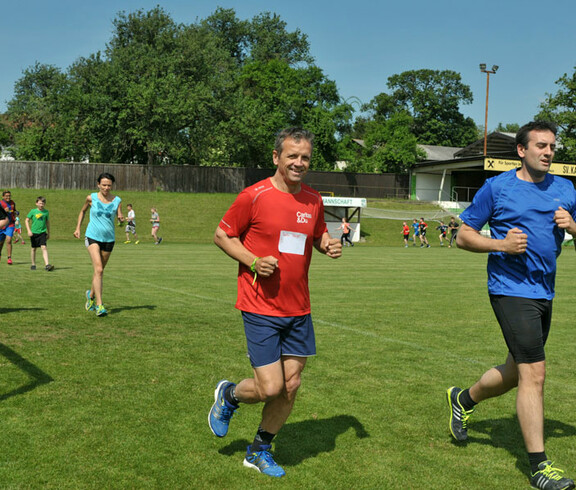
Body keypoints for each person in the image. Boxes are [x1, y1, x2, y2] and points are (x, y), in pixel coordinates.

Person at [446, 121, 575, 490]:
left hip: (544, 291)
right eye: (540, 146)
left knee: (517, 371)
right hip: (509, 289)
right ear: (521, 150)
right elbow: (463, 236)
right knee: (535, 373)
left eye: (552, 146)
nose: (548, 152)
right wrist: (500, 245)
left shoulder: (565, 189)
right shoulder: (498, 187)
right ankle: (539, 466)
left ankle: (464, 398)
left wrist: (574, 226)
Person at [209, 127, 342, 478]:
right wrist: (252, 260)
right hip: (260, 306)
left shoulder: (313, 199)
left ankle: (259, 450)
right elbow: (222, 234)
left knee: (292, 384)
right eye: (292, 156)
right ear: (276, 158)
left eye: (305, 157)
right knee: (271, 387)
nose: (299, 163)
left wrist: (327, 244)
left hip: (299, 308)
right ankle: (230, 395)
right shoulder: (254, 196)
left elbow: (316, 235)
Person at [73, 173, 124, 317]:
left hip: (109, 239)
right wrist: (78, 228)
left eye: (109, 185)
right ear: (98, 185)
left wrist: (121, 219)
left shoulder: (117, 200)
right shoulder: (91, 198)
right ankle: (99, 305)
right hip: (92, 237)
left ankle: (90, 295)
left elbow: (120, 218)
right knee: (99, 269)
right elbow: (82, 212)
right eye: (104, 185)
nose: (106, 188)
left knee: (98, 272)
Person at [25, 197, 54, 271]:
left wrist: (49, 232)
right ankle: (33, 264)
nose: (41, 205)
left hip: (42, 232)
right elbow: (26, 220)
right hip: (34, 232)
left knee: (44, 247)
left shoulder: (46, 212)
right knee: (34, 248)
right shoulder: (33, 211)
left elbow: (47, 222)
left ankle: (47, 265)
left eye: (43, 203)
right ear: (36, 203)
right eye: (40, 203)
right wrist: (29, 231)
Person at [0, 190, 17, 264]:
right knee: (1, 243)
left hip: (10, 224)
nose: (8, 197)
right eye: (6, 196)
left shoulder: (12, 203)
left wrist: (16, 213)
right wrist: (4, 210)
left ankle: (9, 258)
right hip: (2, 225)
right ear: (3, 196)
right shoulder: (0, 203)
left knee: (9, 240)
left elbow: (14, 211)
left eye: (9, 196)